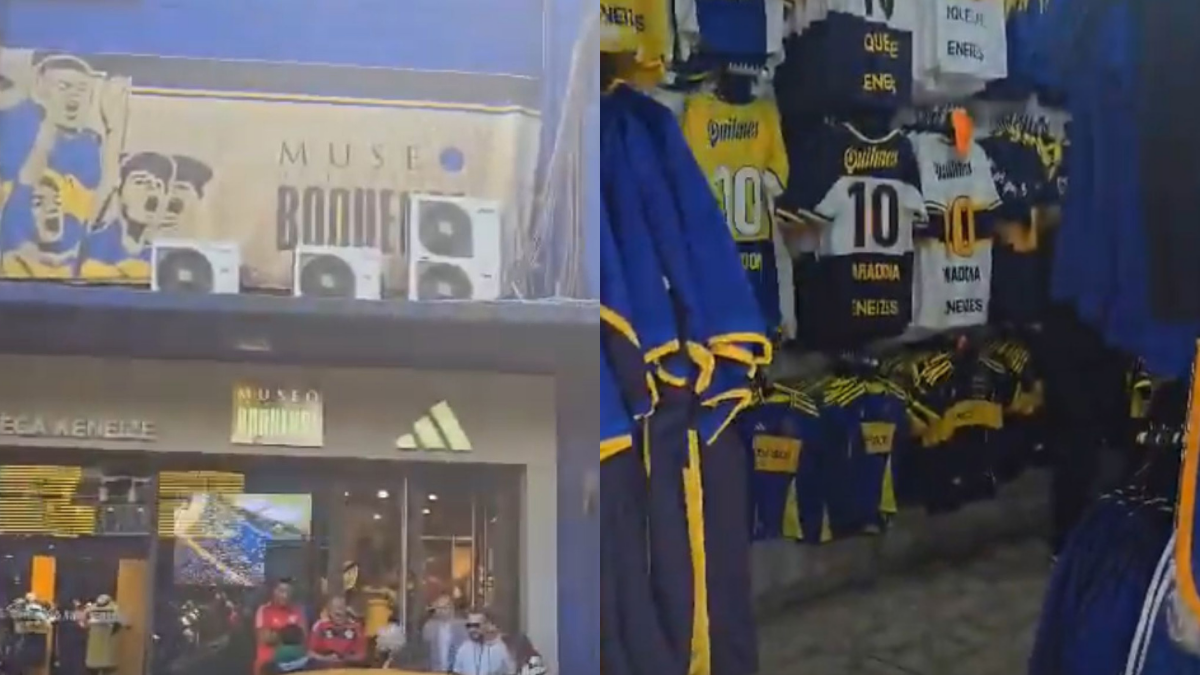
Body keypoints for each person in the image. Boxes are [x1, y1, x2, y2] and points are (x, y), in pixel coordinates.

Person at [253, 579, 306, 675]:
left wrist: (276, 632)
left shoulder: (297, 610)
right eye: (281, 591)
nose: (285, 595)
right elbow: (264, 638)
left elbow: (303, 636)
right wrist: (290, 634)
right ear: (274, 591)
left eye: (288, 592)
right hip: (268, 665)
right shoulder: (264, 610)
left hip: (294, 665)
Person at [307, 595, 367, 668]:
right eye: (336, 612)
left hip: (348, 668)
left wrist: (345, 659)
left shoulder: (356, 627)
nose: (340, 611)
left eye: (342, 608)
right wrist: (326, 659)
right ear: (330, 611)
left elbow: (361, 656)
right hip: (324, 668)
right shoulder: (320, 626)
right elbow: (311, 653)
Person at [450, 610, 516, 675]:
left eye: (476, 625)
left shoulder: (499, 648)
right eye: (469, 625)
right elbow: (457, 672)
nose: (472, 629)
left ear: (487, 625)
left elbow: (510, 671)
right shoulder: (463, 649)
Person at [422, 593, 466, 671]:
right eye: (438, 608)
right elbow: (425, 651)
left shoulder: (463, 626)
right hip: (435, 670)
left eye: (445, 607)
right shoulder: (429, 627)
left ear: (452, 608)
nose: (441, 611)